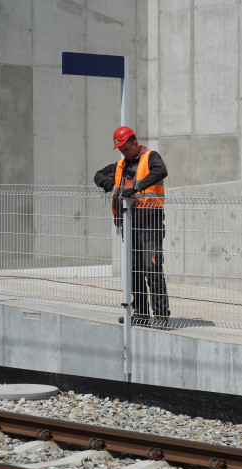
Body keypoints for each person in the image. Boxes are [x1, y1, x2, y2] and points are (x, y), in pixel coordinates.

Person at [94, 126, 170, 327]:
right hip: (129, 224)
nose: (123, 153)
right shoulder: (120, 165)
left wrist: (136, 187)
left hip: (149, 222)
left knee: (152, 268)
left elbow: (161, 171)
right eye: (120, 150)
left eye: (126, 149)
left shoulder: (151, 157)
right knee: (134, 270)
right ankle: (141, 314)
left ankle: (161, 315)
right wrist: (106, 183)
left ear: (134, 143)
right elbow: (98, 175)